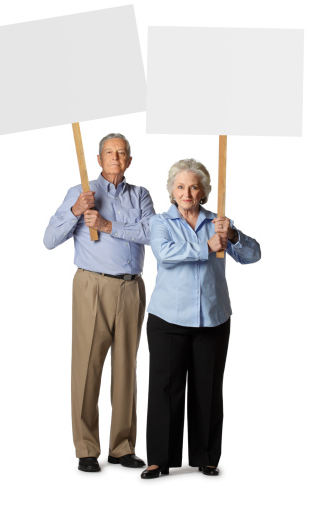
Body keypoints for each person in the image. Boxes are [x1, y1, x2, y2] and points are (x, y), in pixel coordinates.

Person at [141, 158, 261, 479]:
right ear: (171, 191)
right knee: (165, 388)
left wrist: (233, 235)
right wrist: (205, 246)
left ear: (204, 191)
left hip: (213, 318)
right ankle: (159, 459)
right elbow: (165, 253)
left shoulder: (219, 222)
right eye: (180, 186)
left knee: (207, 388)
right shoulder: (160, 223)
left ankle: (206, 457)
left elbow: (253, 255)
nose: (187, 192)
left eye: (194, 186)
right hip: (168, 319)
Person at [44, 133, 155, 472]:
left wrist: (108, 225)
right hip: (92, 285)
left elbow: (152, 235)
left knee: (126, 369)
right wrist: (77, 210)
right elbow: (49, 239)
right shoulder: (81, 192)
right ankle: (86, 448)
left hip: (131, 287)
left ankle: (121, 447)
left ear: (129, 161)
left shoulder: (141, 195)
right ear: (98, 158)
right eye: (109, 152)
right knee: (87, 366)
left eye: (122, 153)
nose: (115, 158)